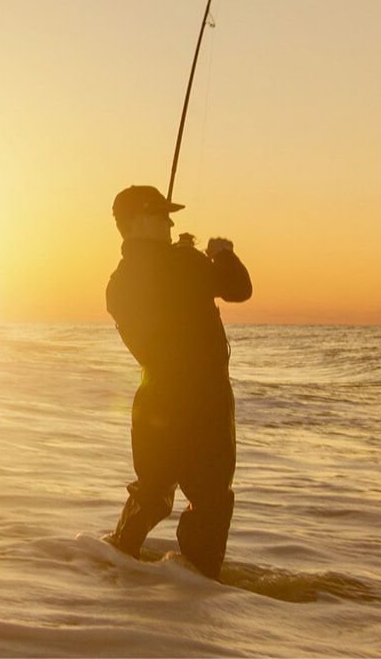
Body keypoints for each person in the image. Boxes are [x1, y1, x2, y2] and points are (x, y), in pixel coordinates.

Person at [103, 185, 252, 578]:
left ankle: (111, 569)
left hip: (156, 400)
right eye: (161, 216)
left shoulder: (118, 284)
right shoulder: (185, 264)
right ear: (137, 222)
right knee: (211, 501)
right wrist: (221, 253)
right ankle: (199, 587)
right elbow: (240, 289)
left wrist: (185, 259)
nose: (169, 224)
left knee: (152, 494)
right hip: (205, 403)